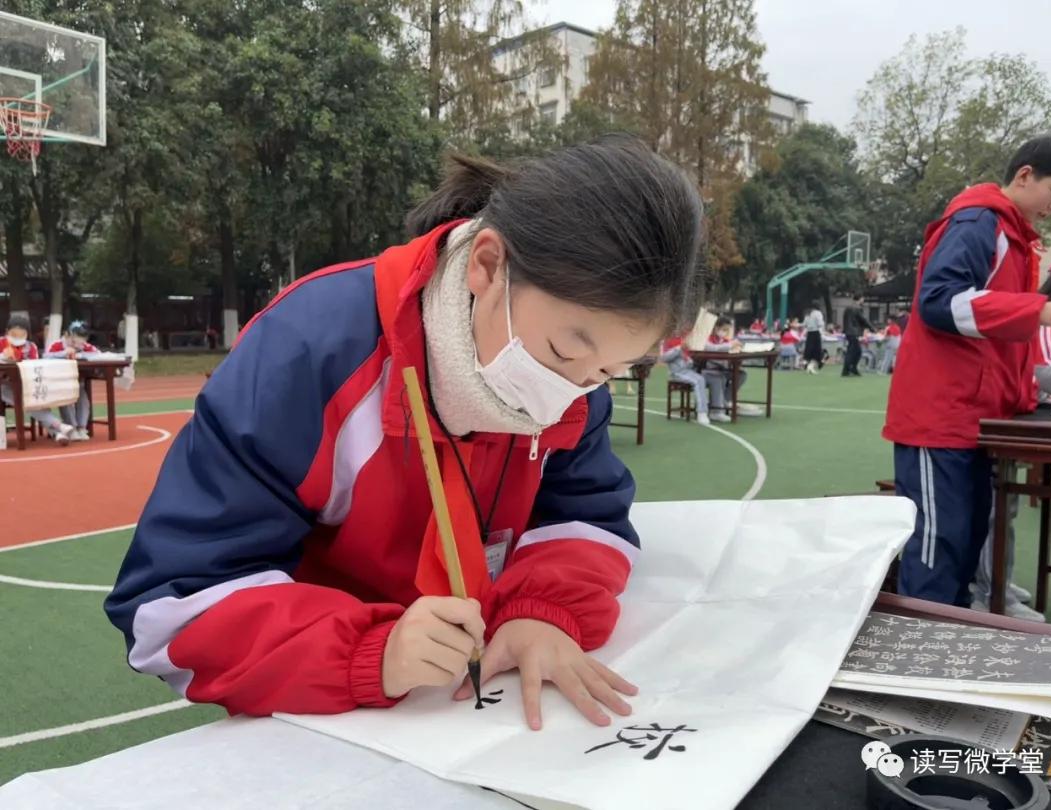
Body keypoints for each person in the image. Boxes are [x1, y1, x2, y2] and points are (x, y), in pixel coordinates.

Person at [105, 138, 704, 728]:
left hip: (459, 706)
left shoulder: (575, 387)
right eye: (561, 351)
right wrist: (372, 652)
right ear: (488, 266)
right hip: (321, 708)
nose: (571, 391)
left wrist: (542, 612)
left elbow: (586, 516)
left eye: (608, 371)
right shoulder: (308, 351)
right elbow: (175, 603)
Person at [883, 132, 1051, 614]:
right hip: (940, 418)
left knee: (968, 543)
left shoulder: (1014, 237)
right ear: (1025, 175)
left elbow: (997, 345)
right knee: (937, 548)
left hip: (978, 419)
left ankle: (943, 660)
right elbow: (937, 302)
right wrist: (1033, 310)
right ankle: (912, 667)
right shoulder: (979, 221)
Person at [968, 252, 1051, 615]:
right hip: (1001, 416)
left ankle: (996, 582)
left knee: (1004, 504)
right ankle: (992, 591)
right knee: (998, 505)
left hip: (1013, 412)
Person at [0, 315, 75, 445]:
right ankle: (58, 426)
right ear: (7, 332)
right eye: (14, 334)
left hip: (27, 385)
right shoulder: (1, 343)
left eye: (21, 334)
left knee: (36, 399)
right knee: (24, 400)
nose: (17, 338)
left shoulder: (31, 347)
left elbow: (34, 367)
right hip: (4, 386)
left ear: (27, 334)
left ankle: (57, 432)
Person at [45, 320, 100, 441]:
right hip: (59, 383)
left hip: (77, 382)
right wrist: (64, 353)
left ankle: (81, 427)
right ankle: (71, 427)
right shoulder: (57, 345)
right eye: (74, 340)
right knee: (66, 398)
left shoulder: (85, 346)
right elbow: (46, 356)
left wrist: (81, 354)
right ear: (67, 335)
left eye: (82, 339)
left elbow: (98, 354)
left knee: (83, 398)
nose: (78, 344)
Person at [661, 334, 729, 424]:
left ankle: (716, 412)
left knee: (715, 379)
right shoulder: (667, 339)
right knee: (699, 380)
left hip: (693, 370)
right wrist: (679, 348)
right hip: (678, 372)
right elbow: (663, 358)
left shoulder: (690, 337)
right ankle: (702, 412)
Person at [841, 296, 873, 376]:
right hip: (854, 332)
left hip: (848, 332)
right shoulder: (857, 308)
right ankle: (848, 369)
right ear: (860, 299)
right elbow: (863, 319)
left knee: (855, 351)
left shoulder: (847, 308)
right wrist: (872, 328)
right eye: (863, 299)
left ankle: (851, 368)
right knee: (854, 351)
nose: (863, 300)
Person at [803, 302, 824, 374]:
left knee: (809, 350)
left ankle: (806, 363)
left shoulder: (808, 314)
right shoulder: (818, 313)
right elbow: (820, 324)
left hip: (809, 333)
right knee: (817, 351)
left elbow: (804, 324)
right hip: (816, 333)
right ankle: (811, 367)